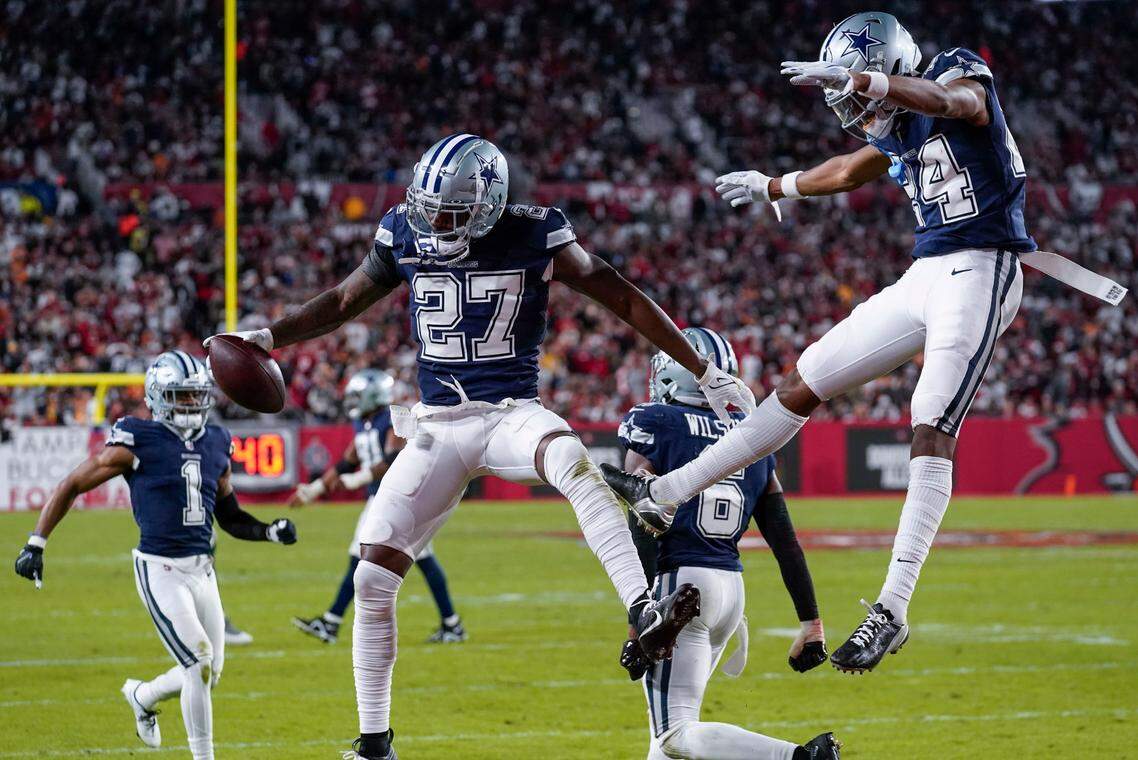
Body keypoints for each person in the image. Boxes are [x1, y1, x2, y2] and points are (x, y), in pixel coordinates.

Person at [205, 133, 756, 760]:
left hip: (510, 414)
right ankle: (374, 741)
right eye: (430, 207)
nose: (437, 222)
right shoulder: (401, 232)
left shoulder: (535, 232)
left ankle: (643, 608)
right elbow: (340, 301)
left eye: (454, 212)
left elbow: (623, 295)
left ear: (491, 203)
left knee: (576, 465)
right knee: (372, 574)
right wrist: (269, 336)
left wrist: (704, 371)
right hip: (437, 426)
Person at [604, 10, 1046, 674]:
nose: (855, 111)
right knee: (801, 381)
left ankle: (891, 610)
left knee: (930, 419)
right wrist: (774, 185)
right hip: (927, 273)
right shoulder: (898, 128)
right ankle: (664, 495)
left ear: (892, 69)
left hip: (986, 265)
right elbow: (846, 171)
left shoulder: (952, 77)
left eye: (858, 97)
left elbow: (953, 101)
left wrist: (863, 79)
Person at [12, 351, 297, 759]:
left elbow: (229, 515)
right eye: (181, 396)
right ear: (158, 397)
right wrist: (36, 543)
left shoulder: (217, 440)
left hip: (204, 572)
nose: (191, 404)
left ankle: (143, 696)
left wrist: (268, 531)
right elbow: (73, 483)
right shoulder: (137, 438)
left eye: (195, 396)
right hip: (160, 569)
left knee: (208, 673)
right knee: (198, 660)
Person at [617, 328, 839, 760]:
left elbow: (642, 520)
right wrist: (811, 621)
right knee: (664, 745)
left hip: (678, 589)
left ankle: (796, 756)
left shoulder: (653, 422)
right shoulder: (752, 434)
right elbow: (784, 539)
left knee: (675, 734)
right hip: (730, 593)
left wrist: (637, 620)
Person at [290, 368, 466, 644]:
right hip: (383, 499)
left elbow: (392, 460)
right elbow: (346, 462)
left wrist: (356, 479)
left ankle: (331, 622)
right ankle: (332, 622)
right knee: (405, 559)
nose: (352, 401)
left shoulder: (393, 419)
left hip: (403, 497)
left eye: (358, 396)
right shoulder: (363, 423)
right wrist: (313, 490)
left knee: (397, 559)